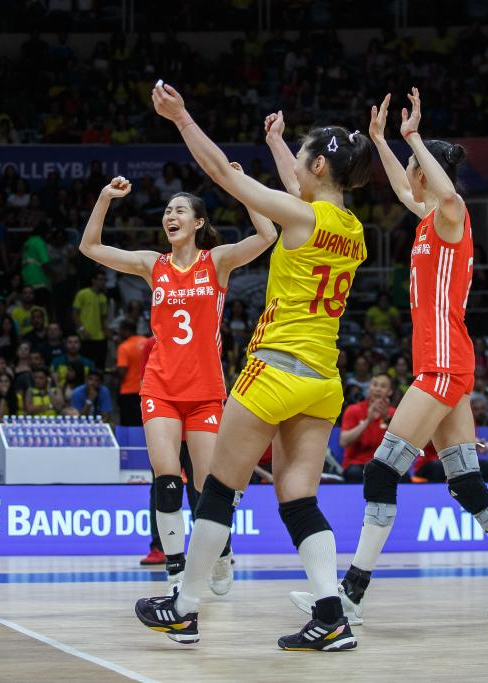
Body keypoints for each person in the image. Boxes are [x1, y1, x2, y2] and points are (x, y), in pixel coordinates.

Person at [291, 90, 488, 631]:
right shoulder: (429, 219)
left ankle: (351, 595)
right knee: (466, 482)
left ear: (427, 173)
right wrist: (383, 141)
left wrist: (412, 138)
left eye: (414, 170)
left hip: (442, 365)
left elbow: (446, 190)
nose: (408, 179)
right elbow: (405, 186)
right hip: (444, 365)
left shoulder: (453, 215)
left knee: (381, 471)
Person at [134, 87, 365, 651]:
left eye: (302, 158)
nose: (295, 169)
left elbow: (220, 172)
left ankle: (184, 607)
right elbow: (301, 190)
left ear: (318, 165)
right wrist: (280, 143)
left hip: (275, 369)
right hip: (323, 379)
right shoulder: (352, 229)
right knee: (299, 499)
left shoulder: (302, 215)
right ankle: (331, 615)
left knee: (217, 488)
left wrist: (183, 117)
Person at [82, 124, 276, 606]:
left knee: (211, 488)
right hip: (161, 387)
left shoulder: (218, 261)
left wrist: (241, 187)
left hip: (206, 390)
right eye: (167, 211)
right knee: (167, 479)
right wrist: (105, 199)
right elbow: (91, 248)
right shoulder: (153, 265)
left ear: (198, 222)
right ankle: (174, 571)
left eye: (180, 210)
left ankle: (222, 551)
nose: (170, 215)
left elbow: (268, 234)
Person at [339, 374, 395, 483]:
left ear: (390, 392)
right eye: (375, 385)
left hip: (384, 465)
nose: (377, 389)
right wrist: (367, 421)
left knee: (403, 476)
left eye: (383, 386)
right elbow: (343, 442)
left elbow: (402, 443)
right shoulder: (353, 410)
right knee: (354, 473)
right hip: (357, 464)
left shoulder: (394, 413)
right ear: (369, 387)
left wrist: (386, 419)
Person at [72, 270, 109, 368]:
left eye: (104, 280)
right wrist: (82, 329)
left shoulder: (103, 298)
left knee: (99, 366)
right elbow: (75, 314)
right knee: (85, 367)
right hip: (85, 336)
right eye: (100, 279)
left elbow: (103, 318)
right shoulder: (82, 293)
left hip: (99, 337)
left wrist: (106, 331)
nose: (102, 282)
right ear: (93, 280)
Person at [115, 320, 148, 426]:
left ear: (126, 330)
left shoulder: (124, 347)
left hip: (129, 392)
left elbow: (122, 372)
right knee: (144, 423)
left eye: (120, 330)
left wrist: (114, 372)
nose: (119, 333)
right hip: (146, 390)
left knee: (130, 426)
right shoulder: (147, 342)